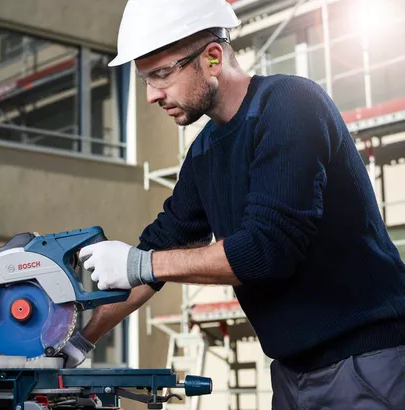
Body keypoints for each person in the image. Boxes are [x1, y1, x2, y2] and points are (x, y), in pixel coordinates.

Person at [60, 0, 405, 408]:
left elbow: (267, 251)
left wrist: (140, 264)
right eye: (145, 80)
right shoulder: (205, 152)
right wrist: (77, 342)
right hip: (292, 373)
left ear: (212, 58)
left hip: (365, 363)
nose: (152, 95)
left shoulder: (290, 104)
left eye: (161, 74)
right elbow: (154, 254)